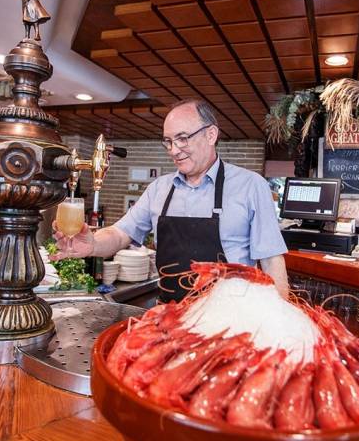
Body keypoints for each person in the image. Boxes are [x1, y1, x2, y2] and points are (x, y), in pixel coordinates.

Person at [53, 99, 290, 302]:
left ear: (211, 134)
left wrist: (281, 322)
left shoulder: (250, 185)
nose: (174, 150)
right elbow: (120, 233)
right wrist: (93, 244)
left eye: (183, 138)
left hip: (230, 323)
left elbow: (271, 260)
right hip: (170, 318)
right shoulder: (159, 188)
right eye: (168, 141)